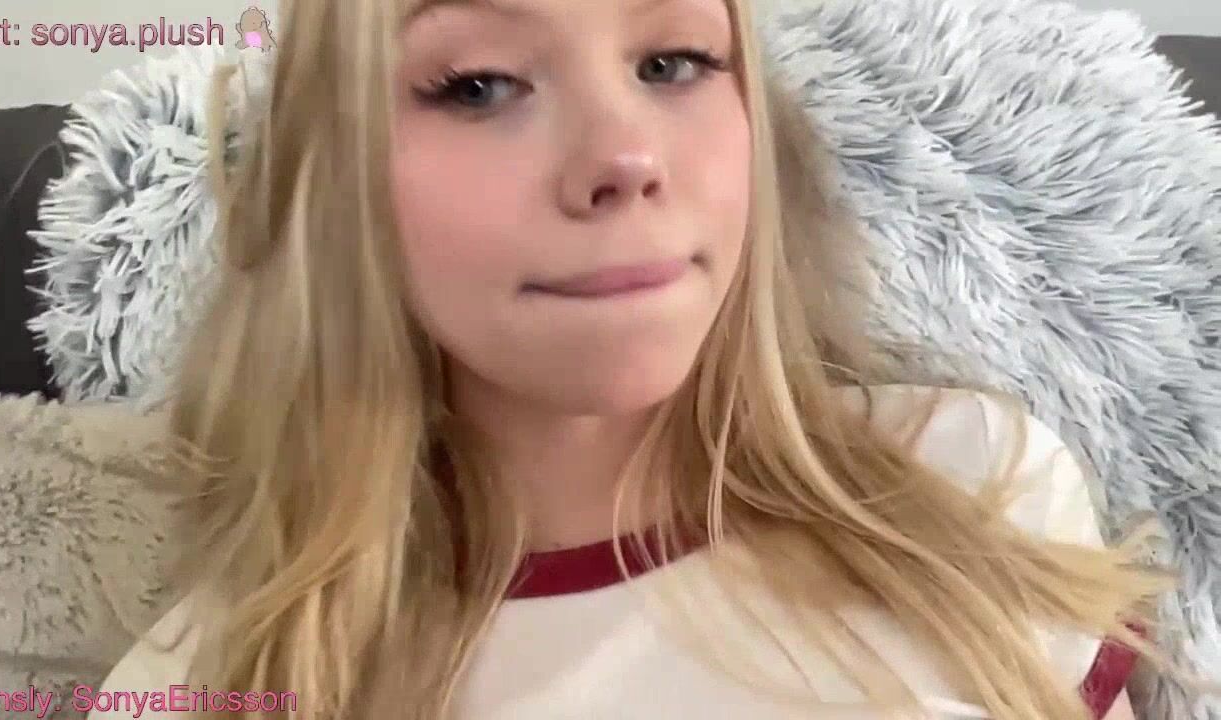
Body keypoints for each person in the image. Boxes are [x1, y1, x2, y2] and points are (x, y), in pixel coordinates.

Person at [89, 0, 1179, 717]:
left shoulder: (971, 487)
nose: (624, 154)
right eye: (478, 85)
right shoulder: (217, 682)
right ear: (336, 184)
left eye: (672, 62)